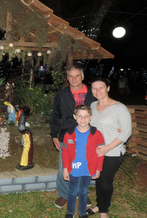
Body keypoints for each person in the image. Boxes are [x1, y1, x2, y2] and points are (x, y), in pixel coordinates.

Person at [50, 64, 97, 209]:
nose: (74, 78)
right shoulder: (61, 95)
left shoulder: (93, 94)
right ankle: (64, 194)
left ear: (82, 76)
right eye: (71, 76)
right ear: (67, 78)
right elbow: (56, 116)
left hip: (88, 135)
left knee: (85, 166)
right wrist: (54, 135)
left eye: (77, 75)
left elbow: (103, 111)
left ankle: (83, 192)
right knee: (64, 166)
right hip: (67, 135)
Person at [87, 77, 132, 218]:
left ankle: (103, 211)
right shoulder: (93, 105)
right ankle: (99, 204)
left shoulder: (119, 108)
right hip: (95, 151)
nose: (97, 91)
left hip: (112, 151)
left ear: (108, 88)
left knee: (105, 181)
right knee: (98, 180)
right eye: (94, 88)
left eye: (101, 87)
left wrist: (107, 147)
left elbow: (126, 131)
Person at [63, 105, 105, 218]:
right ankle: (70, 213)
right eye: (80, 116)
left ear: (91, 117)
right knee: (72, 191)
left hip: (88, 169)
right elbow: (65, 153)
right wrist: (65, 169)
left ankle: (82, 213)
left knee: (83, 191)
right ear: (74, 117)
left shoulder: (97, 134)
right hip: (74, 169)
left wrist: (98, 169)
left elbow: (101, 154)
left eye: (86, 116)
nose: (83, 119)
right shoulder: (69, 134)